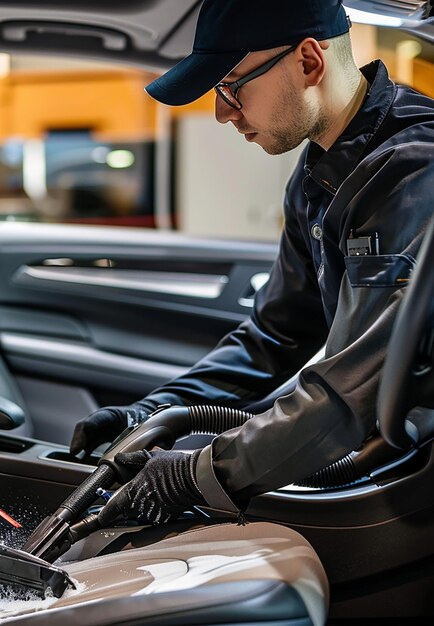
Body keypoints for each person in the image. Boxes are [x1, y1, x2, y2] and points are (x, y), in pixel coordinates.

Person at [71, 0, 434, 526]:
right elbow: (276, 335)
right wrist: (151, 413)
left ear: (308, 61)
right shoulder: (318, 177)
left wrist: (191, 474)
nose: (222, 112)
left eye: (232, 85)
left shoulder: (412, 173)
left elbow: (350, 393)